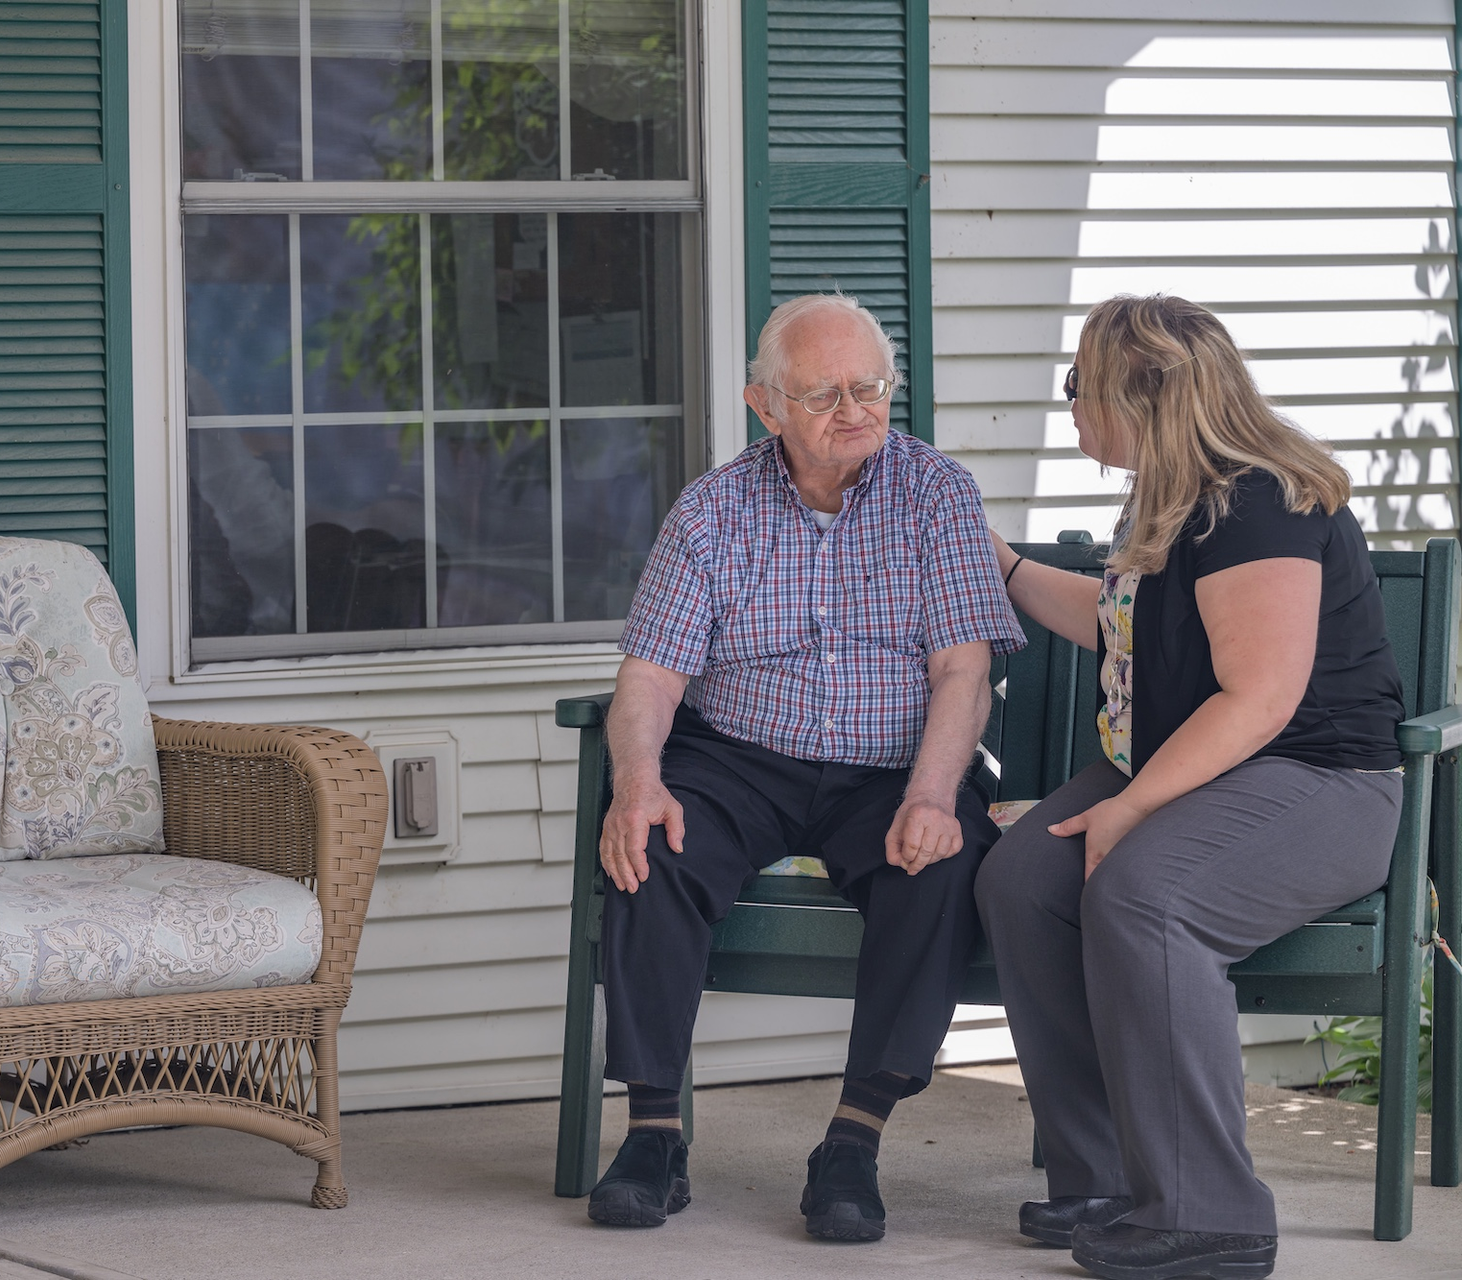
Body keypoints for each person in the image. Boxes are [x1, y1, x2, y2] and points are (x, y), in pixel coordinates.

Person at [975, 294, 1405, 1280]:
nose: (1070, 404)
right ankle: (1110, 1176)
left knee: (1145, 893)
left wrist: (1124, 807)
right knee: (1021, 879)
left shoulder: (1256, 496)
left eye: (1078, 386)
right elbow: (1118, 621)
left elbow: (1260, 695)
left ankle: (1211, 1213)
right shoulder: (1171, 490)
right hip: (1208, 770)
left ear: (1140, 394)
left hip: (1319, 782)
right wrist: (1002, 566)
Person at [587, 292, 1025, 1240]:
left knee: (940, 862)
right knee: (649, 841)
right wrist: (637, 782)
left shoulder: (937, 494)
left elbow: (964, 670)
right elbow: (652, 676)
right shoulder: (713, 509)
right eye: (822, 393)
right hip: (740, 760)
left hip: (889, 768)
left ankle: (853, 1142)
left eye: (870, 387)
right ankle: (653, 1134)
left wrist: (932, 794)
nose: (854, 409)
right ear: (765, 406)